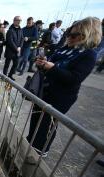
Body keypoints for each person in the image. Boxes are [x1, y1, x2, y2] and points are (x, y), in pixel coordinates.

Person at [27, 17, 102, 156]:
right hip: (45, 90)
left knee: (46, 126)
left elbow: (74, 79)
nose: (69, 37)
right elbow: (51, 63)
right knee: (35, 119)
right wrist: (43, 63)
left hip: (60, 97)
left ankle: (39, 152)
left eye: (73, 35)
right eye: (68, 33)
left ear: (86, 35)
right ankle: (29, 143)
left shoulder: (89, 55)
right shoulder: (66, 48)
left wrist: (52, 68)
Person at [3, 16, 24, 81]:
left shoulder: (20, 30)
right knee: (7, 64)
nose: (19, 22)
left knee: (15, 64)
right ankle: (4, 76)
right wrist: (16, 48)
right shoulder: (10, 30)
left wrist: (20, 47)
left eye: (20, 20)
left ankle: (10, 75)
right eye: (18, 20)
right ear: (14, 21)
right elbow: (10, 41)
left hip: (17, 51)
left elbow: (22, 39)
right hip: (10, 51)